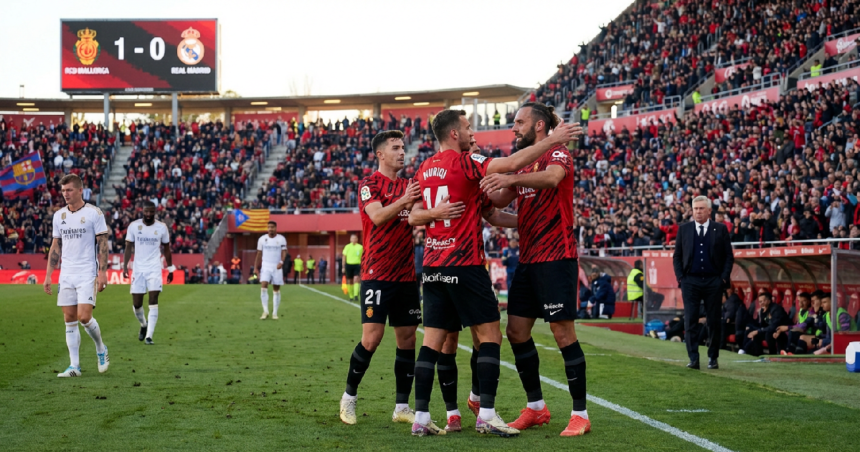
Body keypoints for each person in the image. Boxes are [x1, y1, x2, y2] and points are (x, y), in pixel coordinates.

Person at [408, 108, 579, 437]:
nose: (473, 132)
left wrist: (434, 212)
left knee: (431, 342)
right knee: (490, 337)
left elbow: (415, 217)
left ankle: (421, 418)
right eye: (468, 127)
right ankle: (485, 412)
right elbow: (512, 165)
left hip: (432, 266)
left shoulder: (425, 167)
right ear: (454, 134)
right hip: (465, 263)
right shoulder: (468, 163)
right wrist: (555, 139)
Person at [480, 102, 590, 436]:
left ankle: (581, 414)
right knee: (516, 331)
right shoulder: (526, 159)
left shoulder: (557, 154)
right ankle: (537, 407)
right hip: (528, 260)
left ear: (539, 126)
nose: (513, 128)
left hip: (557, 258)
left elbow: (554, 179)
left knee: (562, 333)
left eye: (519, 122)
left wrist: (512, 176)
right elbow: (498, 202)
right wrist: (476, 187)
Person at [339, 130, 424, 426]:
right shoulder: (368, 184)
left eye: (403, 147)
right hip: (377, 273)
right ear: (380, 154)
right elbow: (377, 216)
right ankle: (348, 398)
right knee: (372, 338)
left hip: (405, 275)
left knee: (407, 339)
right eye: (396, 148)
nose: (402, 152)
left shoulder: (409, 185)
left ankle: (402, 406)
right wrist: (405, 201)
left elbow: (417, 216)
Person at [43, 174, 111, 378]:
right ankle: (74, 366)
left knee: (84, 317)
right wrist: (48, 275)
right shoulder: (59, 216)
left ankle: (101, 348)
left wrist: (103, 272)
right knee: (69, 318)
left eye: (69, 190)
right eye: (63, 190)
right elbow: (55, 246)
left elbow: (103, 242)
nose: (66, 194)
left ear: (80, 190)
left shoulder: (94, 213)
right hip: (67, 273)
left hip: (87, 271)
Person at [673, 196, 734, 370]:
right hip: (690, 281)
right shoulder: (684, 229)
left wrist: (722, 278)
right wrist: (681, 277)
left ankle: (713, 357)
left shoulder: (720, 229)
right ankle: (693, 358)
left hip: (713, 281)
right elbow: (677, 256)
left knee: (714, 321)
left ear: (709, 211)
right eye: (695, 208)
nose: (698, 211)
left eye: (701, 208)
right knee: (690, 320)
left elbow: (728, 256)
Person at [122, 201, 175, 345]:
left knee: (153, 300)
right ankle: (143, 325)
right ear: (142, 211)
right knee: (137, 304)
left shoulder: (162, 227)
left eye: (151, 212)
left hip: (154, 268)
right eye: (146, 211)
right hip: (138, 269)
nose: (149, 214)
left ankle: (149, 336)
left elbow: (167, 249)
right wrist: (125, 265)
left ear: (155, 212)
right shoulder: (134, 226)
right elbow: (128, 247)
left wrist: (170, 269)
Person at [254, 221, 287, 320]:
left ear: (276, 228)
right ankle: (265, 311)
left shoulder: (281, 239)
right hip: (265, 266)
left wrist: (281, 262)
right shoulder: (262, 239)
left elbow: (284, 252)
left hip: (276, 267)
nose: (270, 229)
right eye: (269, 227)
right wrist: (256, 267)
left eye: (272, 227)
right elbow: (258, 254)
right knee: (263, 287)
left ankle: (275, 313)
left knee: (276, 289)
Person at [343, 235, 363, 302]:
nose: (354, 239)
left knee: (356, 279)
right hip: (349, 265)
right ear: (350, 239)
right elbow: (344, 256)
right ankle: (351, 296)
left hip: (357, 265)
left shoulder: (360, 247)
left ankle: (355, 295)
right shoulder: (347, 246)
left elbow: (363, 257)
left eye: (355, 238)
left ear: (357, 239)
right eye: (352, 238)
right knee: (350, 281)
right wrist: (343, 266)